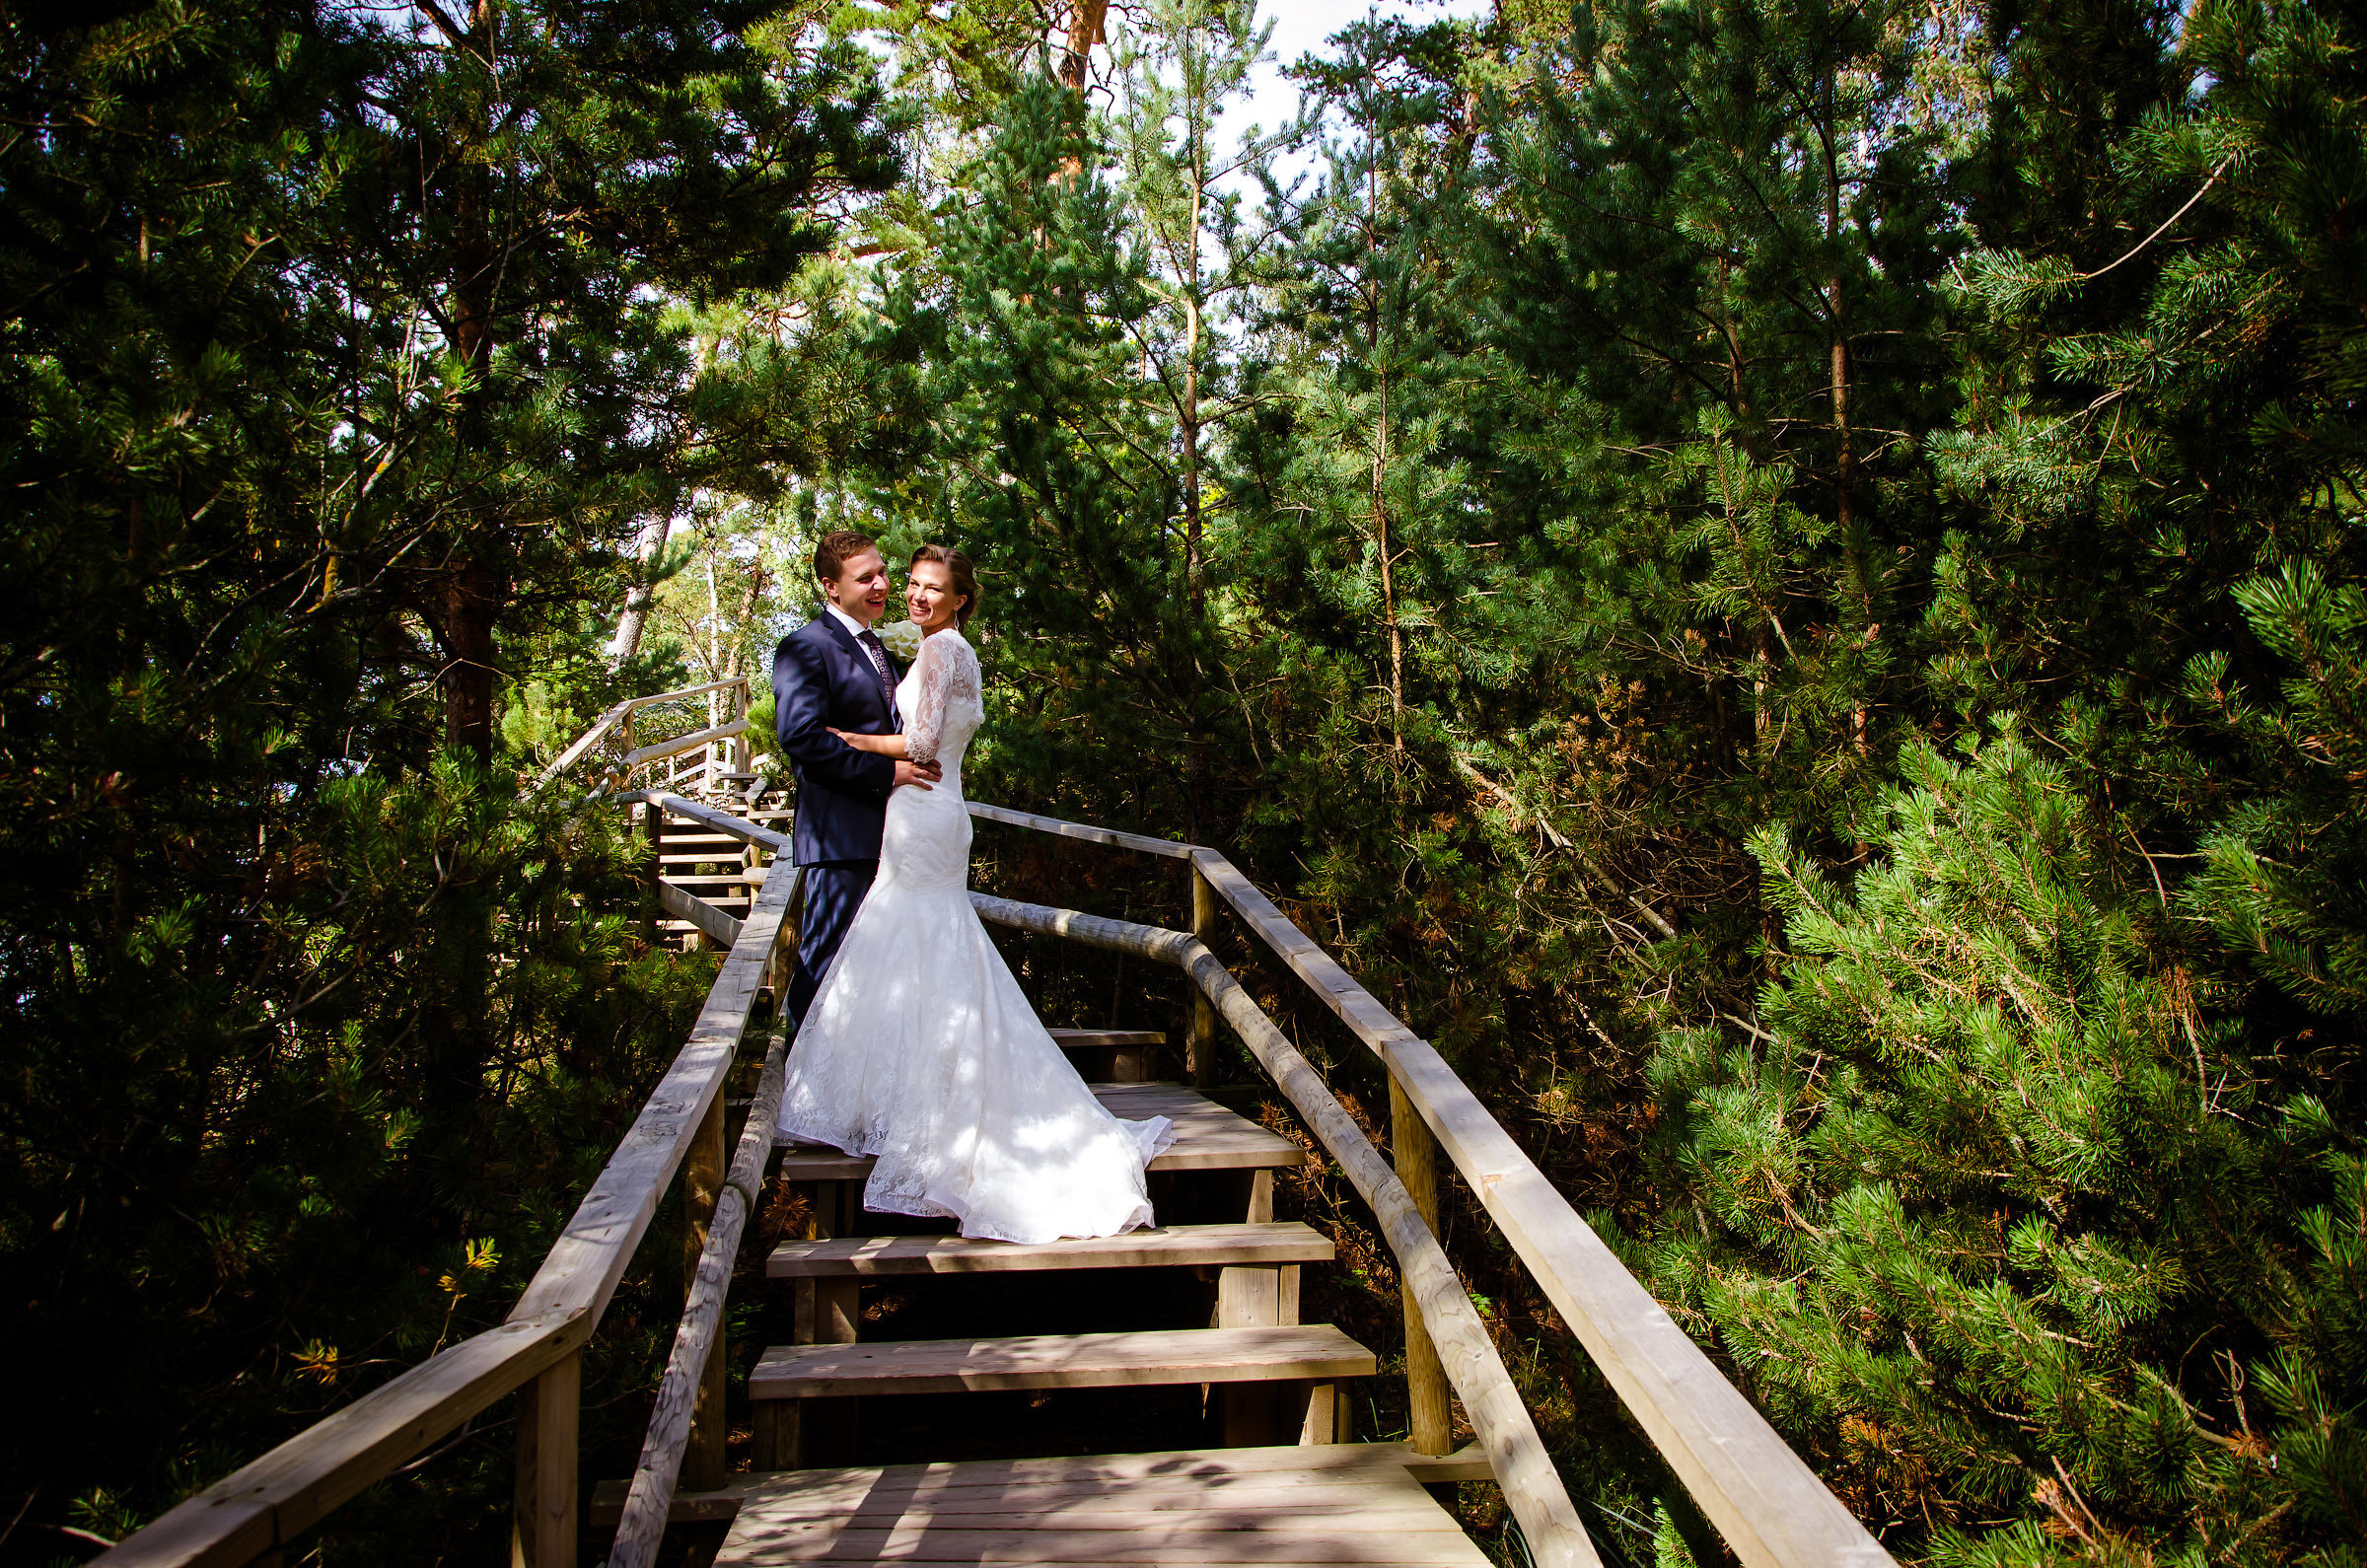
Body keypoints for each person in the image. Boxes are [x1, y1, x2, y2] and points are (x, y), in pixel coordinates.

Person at [775, 545, 1175, 1244]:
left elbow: (921, 744)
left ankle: (925, 1110)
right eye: (907, 583)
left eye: (932, 587)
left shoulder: (937, 653)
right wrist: (873, 752)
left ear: (961, 598)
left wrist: (858, 745)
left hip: (920, 812)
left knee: (916, 946)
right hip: (921, 817)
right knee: (915, 955)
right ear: (835, 584)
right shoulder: (924, 650)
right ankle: (906, 1101)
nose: (912, 595)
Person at [770, 531, 941, 1032]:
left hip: (897, 834)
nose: (881, 585)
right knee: (825, 962)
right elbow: (802, 738)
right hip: (841, 834)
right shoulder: (806, 647)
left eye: (883, 572)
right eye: (865, 578)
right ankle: (793, 1086)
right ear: (830, 586)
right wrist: (889, 772)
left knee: (879, 974)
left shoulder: (881, 647)